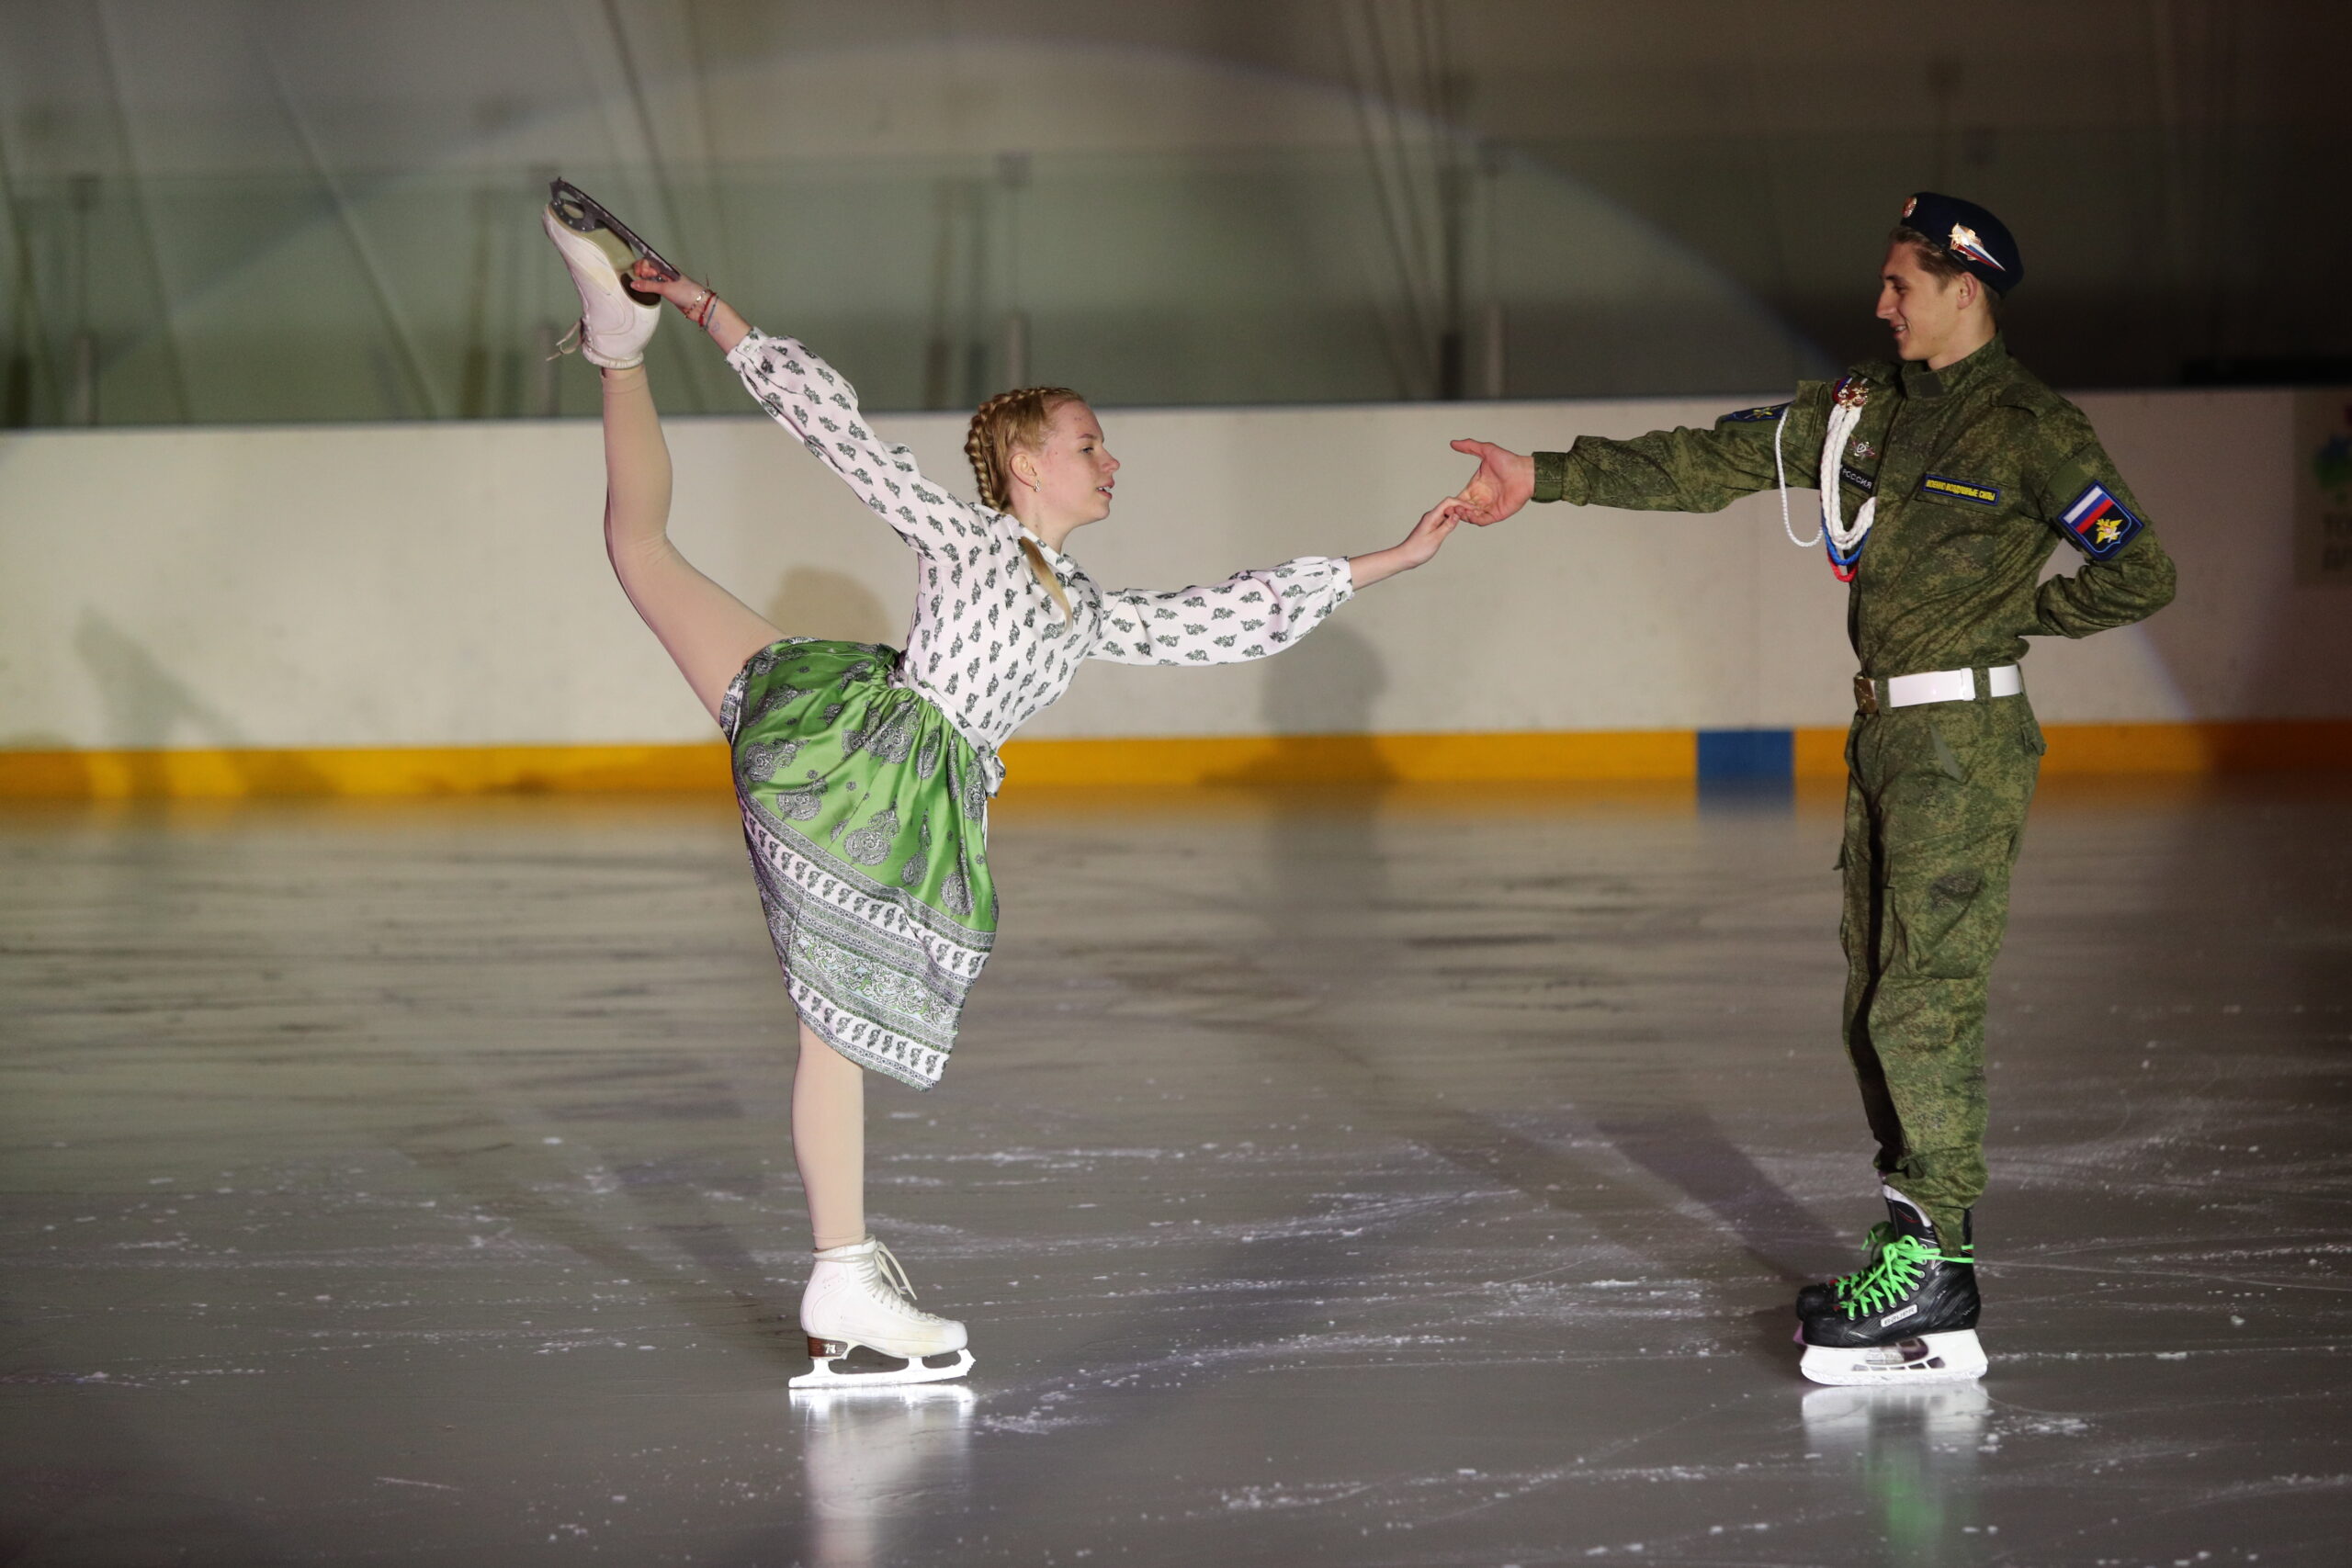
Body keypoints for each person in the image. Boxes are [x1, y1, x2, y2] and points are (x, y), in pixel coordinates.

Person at [540, 183, 1460, 1389]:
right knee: (829, 1015)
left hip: (888, 768)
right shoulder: (969, 539)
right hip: (871, 760)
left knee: (832, 1022)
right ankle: (625, 352)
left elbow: (1225, 617)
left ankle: (615, 358)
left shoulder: (1086, 612)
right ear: (1025, 461)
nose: (1109, 460)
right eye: (1089, 443)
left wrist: (1398, 553)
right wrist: (711, 309)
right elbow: (840, 435)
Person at [1444, 192, 2177, 1386]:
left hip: (1967, 743)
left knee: (1920, 1000)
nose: (1880, 304)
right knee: (1871, 1003)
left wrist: (2025, 616)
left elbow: (2141, 568)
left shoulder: (2034, 428)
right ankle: (1915, 1246)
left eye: (1901, 285)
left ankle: (1939, 1269)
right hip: (1885, 739)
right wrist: (1545, 475)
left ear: (1965, 288)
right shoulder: (1861, 408)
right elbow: (1716, 459)